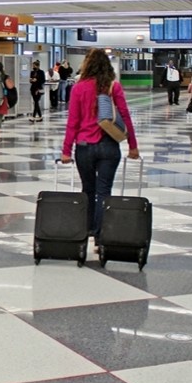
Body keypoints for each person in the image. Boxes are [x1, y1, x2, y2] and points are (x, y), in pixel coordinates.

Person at [61, 48, 139, 242]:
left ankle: (85, 230)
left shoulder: (78, 88)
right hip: (109, 145)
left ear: (87, 65)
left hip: (84, 146)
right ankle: (100, 235)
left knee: (88, 190)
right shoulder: (114, 87)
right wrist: (133, 145)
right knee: (104, 191)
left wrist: (66, 151)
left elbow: (73, 122)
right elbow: (125, 117)